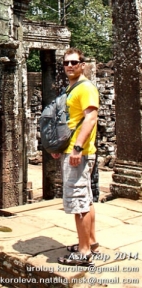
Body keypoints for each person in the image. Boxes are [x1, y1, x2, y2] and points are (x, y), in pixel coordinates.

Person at [52, 47, 99, 267]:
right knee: (85, 199)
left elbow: (90, 118)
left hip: (78, 153)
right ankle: (90, 242)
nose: (69, 66)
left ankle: (83, 252)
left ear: (82, 64)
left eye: (74, 62)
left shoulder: (86, 88)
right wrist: (59, 145)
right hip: (71, 149)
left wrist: (77, 149)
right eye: (66, 63)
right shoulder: (72, 88)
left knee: (78, 202)